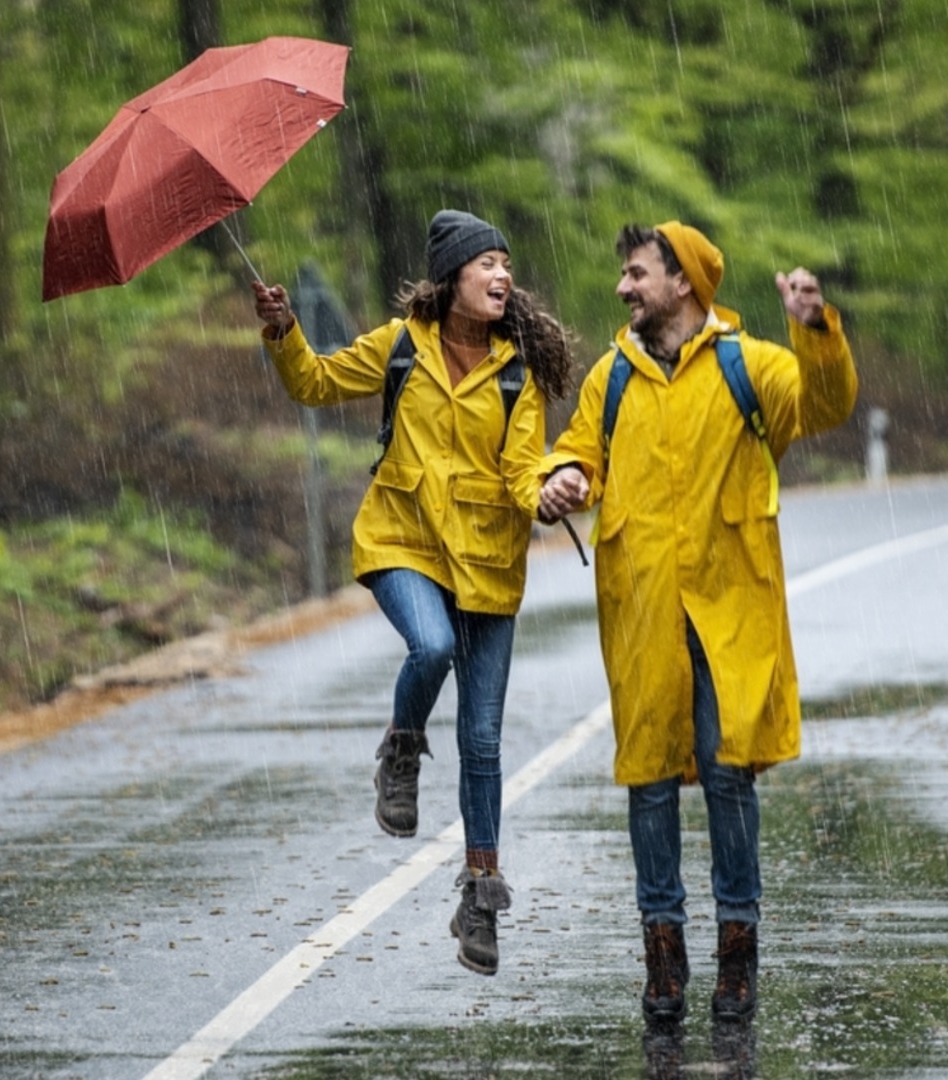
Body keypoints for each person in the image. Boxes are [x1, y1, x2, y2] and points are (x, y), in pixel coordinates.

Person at [536, 222, 857, 1024]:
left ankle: (738, 960)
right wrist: (565, 477)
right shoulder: (613, 376)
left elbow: (825, 404)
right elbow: (577, 452)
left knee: (726, 775)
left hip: (730, 608)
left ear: (684, 284)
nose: (623, 288)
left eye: (637, 274)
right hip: (644, 607)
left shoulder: (752, 368)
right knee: (647, 782)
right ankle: (664, 958)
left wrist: (814, 330)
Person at [251, 210, 574, 976]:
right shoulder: (401, 346)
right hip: (405, 539)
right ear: (452, 277)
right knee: (428, 646)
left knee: (485, 742)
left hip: (488, 566)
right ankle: (401, 746)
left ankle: (480, 890)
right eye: (486, 263)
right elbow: (315, 382)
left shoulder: (518, 372)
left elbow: (522, 469)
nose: (502, 276)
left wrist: (556, 490)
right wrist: (284, 331)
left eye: (506, 263)